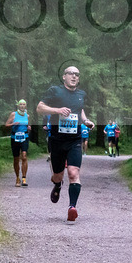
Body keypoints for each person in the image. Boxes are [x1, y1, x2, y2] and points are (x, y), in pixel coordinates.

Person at [37, 66, 94, 222]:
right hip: (57, 140)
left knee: (74, 173)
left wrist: (86, 121)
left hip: (74, 139)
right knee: (57, 175)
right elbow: (39, 108)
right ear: (64, 77)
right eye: (71, 74)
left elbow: (80, 110)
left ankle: (72, 207)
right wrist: (57, 110)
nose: (74, 76)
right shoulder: (55, 91)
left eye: (77, 74)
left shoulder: (81, 94)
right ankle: (57, 185)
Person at [4, 99, 31, 187]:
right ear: (18, 106)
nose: (22, 106)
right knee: (16, 158)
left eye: (24, 104)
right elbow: (6, 125)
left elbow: (27, 125)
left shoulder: (27, 115)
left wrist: (29, 127)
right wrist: (13, 124)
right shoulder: (13, 114)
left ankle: (24, 178)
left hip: (24, 137)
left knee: (24, 156)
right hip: (15, 138)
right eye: (21, 104)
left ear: (25, 106)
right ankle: (17, 178)